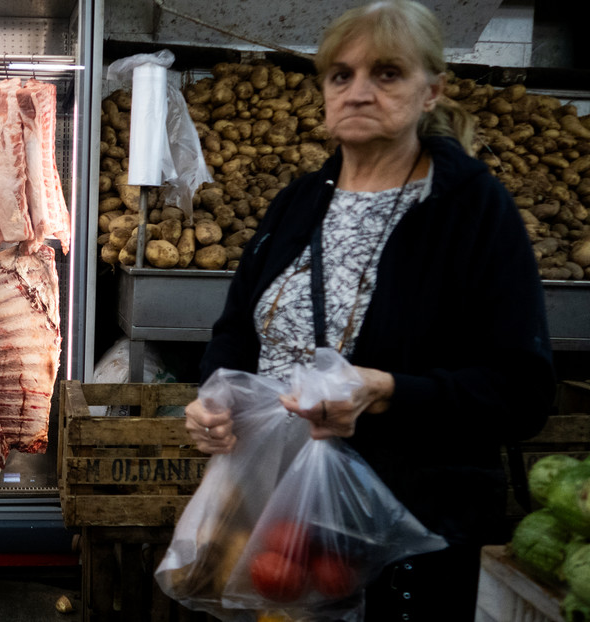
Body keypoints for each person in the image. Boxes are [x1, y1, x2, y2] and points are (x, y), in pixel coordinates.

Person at [183, 0, 556, 618]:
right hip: (275, 513)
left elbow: (523, 392)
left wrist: (387, 392)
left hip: (404, 530)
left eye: (386, 74)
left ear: (432, 90)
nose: (358, 92)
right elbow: (234, 336)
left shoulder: (471, 209)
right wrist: (216, 398)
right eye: (340, 75)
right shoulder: (298, 202)